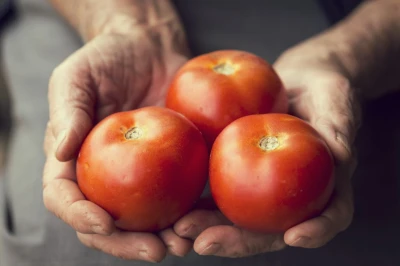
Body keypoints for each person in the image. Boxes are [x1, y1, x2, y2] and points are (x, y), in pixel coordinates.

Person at [0, 0, 399, 265]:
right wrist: (130, 23)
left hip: (337, 16)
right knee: (57, 244)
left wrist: (343, 57)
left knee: (354, 217)